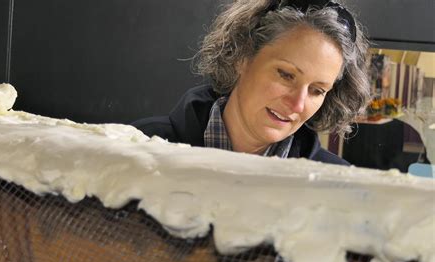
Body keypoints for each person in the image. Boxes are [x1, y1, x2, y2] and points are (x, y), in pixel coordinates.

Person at [132, 0, 371, 165]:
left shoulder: (335, 184)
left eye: (317, 90)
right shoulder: (136, 147)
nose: (297, 104)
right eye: (286, 75)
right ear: (242, 57)